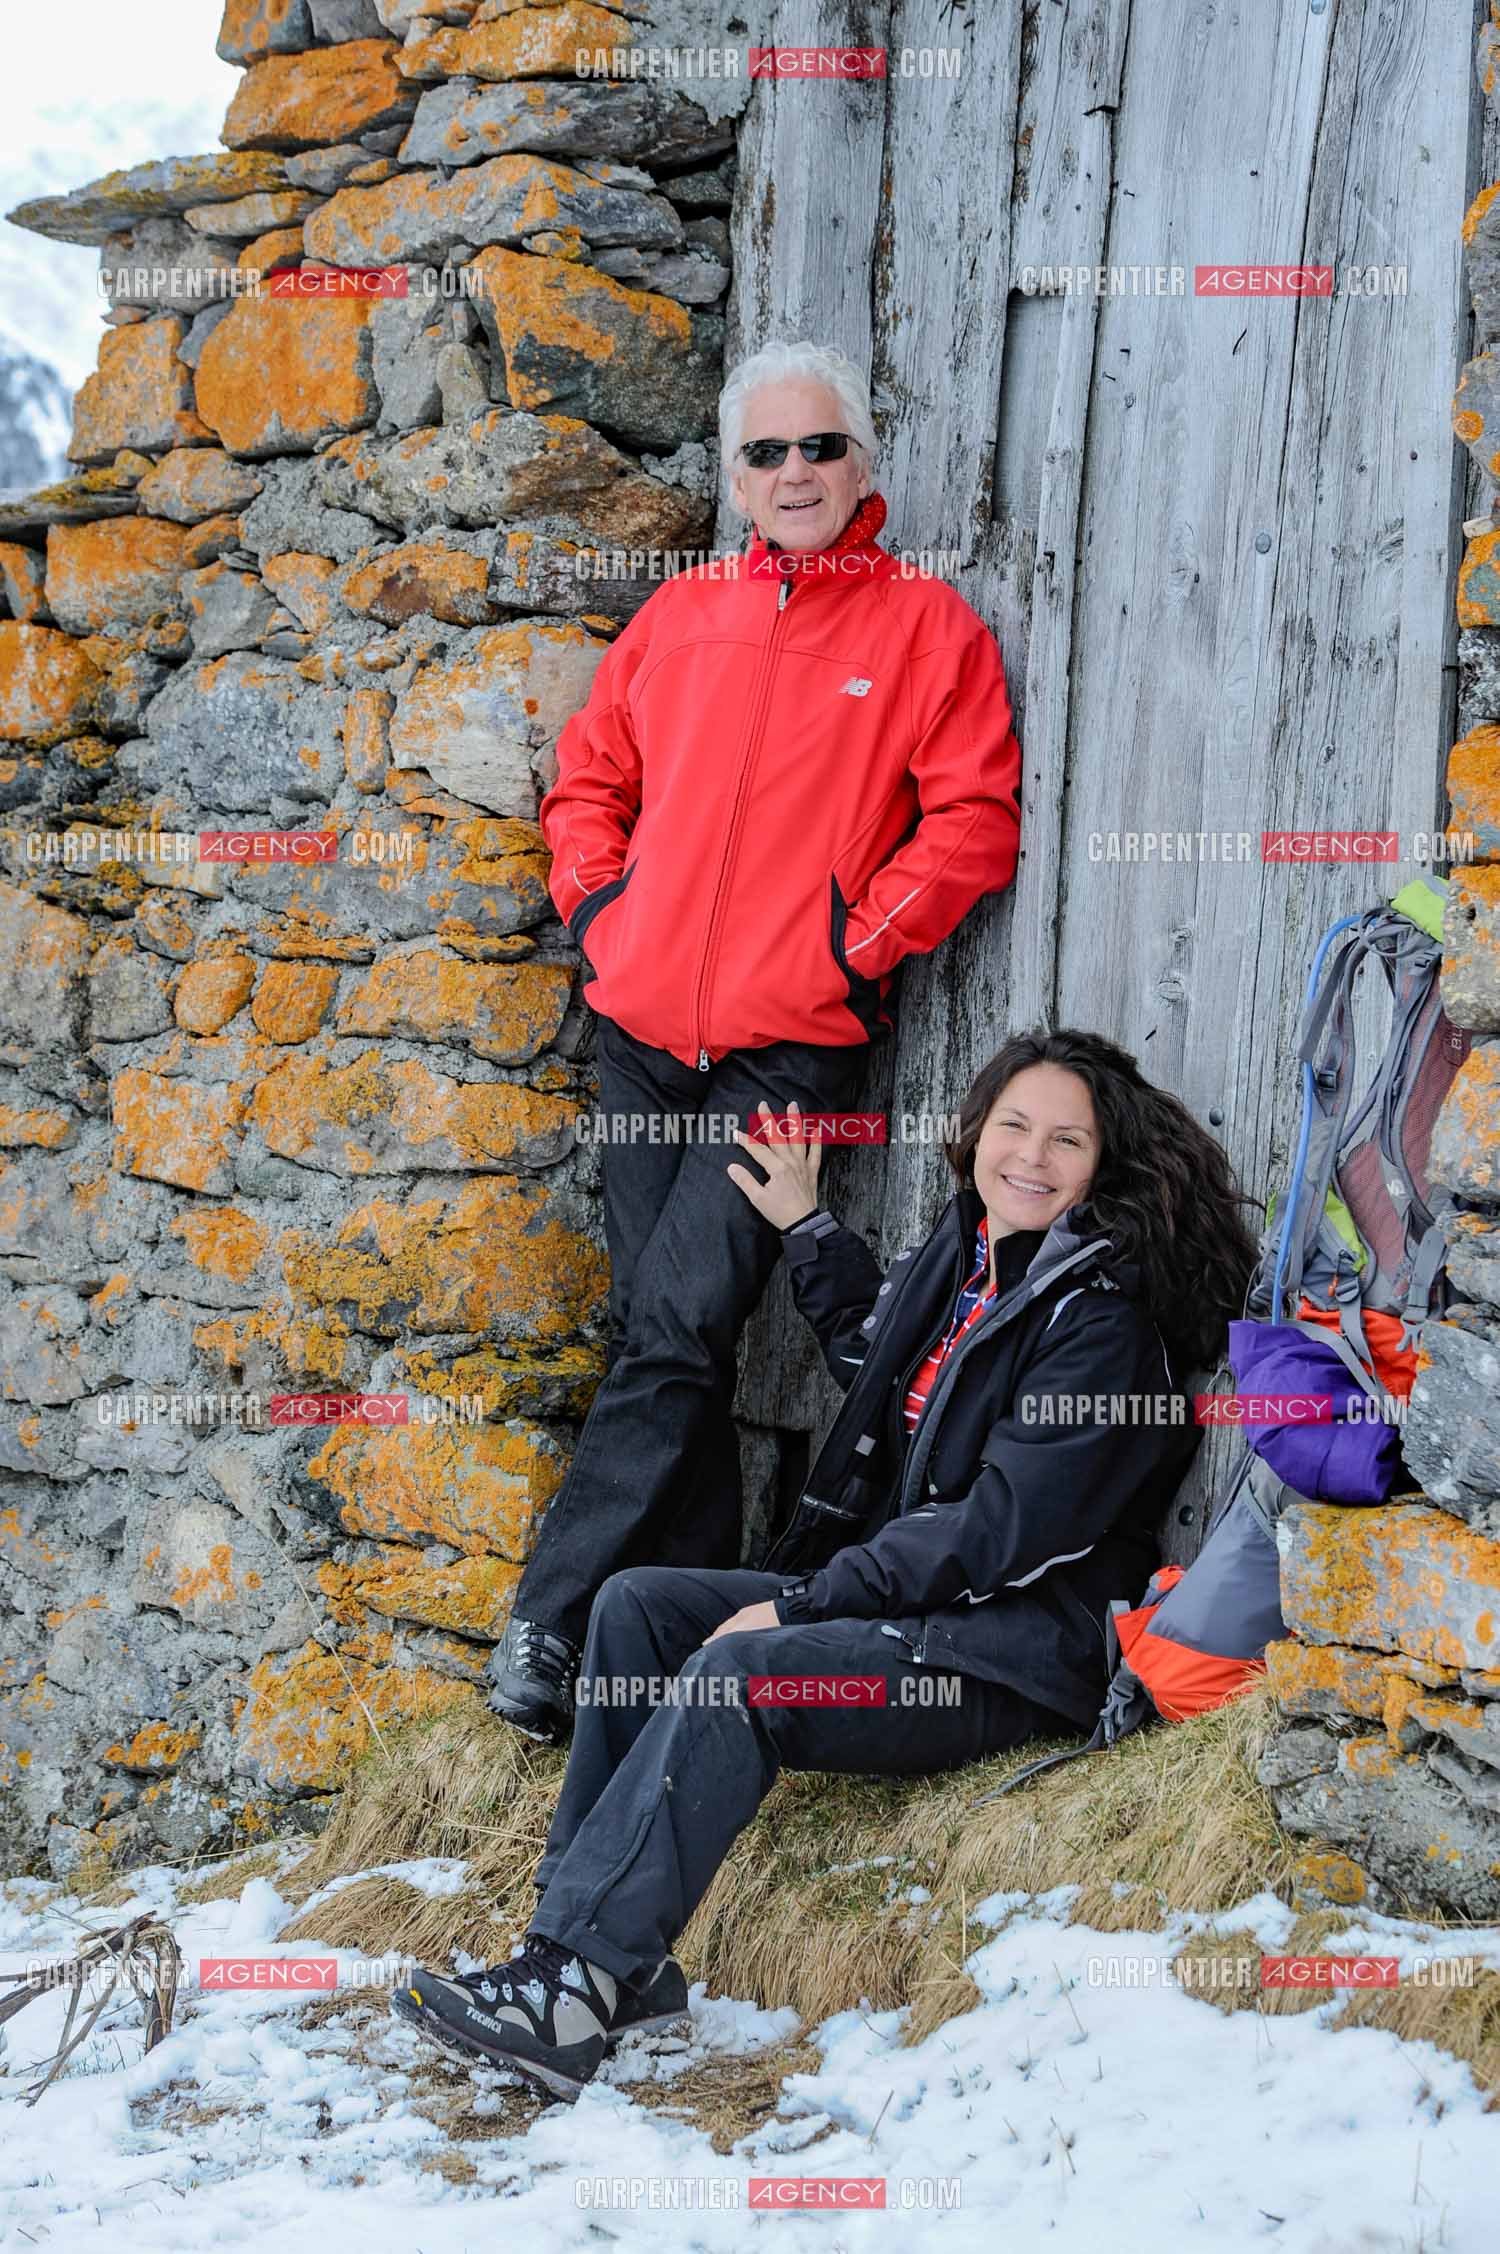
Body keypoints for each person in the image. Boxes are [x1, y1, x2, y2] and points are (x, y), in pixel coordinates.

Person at [395, 1030, 1260, 2100]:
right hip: (924, 1608)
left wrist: (803, 1603)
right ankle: (590, 1961)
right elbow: (891, 1362)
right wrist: (808, 1229)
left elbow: (995, 1532)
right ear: (976, 1133)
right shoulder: (974, 1260)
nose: (1033, 1155)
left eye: (1067, 1140)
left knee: (742, 1676)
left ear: (1105, 1164)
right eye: (1015, 1125)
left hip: (1010, 1652)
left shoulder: (1103, 1329)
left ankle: (572, 1985)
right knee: (638, 1607)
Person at [485, 339, 1023, 1741]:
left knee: (671, 1327)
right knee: (683, 1338)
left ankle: (550, 1622)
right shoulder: (682, 616)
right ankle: (677, 1626)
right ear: (733, 478)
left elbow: (972, 823)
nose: (795, 474)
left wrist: (850, 944)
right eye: (766, 454)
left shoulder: (926, 630)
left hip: (788, 1052)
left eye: (820, 448)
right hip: (642, 1036)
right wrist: (602, 910)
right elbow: (588, 779)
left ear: (865, 464)